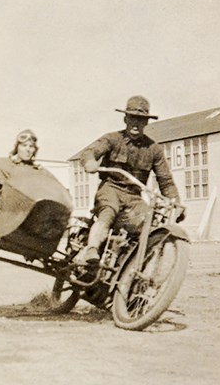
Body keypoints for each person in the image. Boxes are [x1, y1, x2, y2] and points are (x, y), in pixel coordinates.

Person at [74, 95, 183, 265]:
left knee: (149, 222)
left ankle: (135, 269)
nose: (136, 123)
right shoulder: (112, 139)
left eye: (141, 120)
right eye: (133, 118)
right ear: (125, 119)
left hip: (134, 197)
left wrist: (175, 202)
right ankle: (92, 249)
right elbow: (90, 152)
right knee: (108, 211)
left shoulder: (154, 149)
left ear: (146, 123)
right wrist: (89, 162)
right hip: (110, 188)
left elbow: (166, 181)